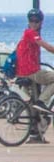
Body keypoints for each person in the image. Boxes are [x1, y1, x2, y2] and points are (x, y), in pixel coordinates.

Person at [15, 9, 54, 141]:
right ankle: (42, 101)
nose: (34, 23)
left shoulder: (27, 34)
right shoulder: (31, 33)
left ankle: (36, 134)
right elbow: (46, 47)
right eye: (32, 21)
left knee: (34, 104)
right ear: (29, 22)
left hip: (25, 71)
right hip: (31, 71)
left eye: (36, 21)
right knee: (39, 101)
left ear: (40, 22)